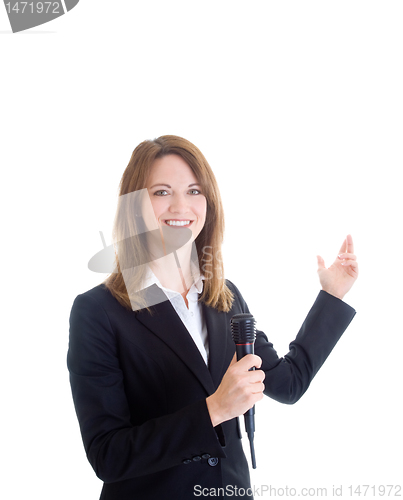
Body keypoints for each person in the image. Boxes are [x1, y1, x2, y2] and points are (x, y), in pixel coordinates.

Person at [67, 135, 358, 499]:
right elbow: (107, 455)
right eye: (161, 192)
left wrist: (331, 296)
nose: (180, 205)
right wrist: (214, 410)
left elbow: (289, 382)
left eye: (193, 191)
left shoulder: (225, 297)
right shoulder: (99, 311)